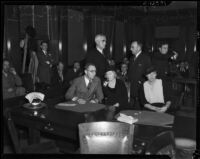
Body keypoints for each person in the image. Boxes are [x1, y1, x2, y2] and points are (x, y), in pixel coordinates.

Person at [128, 40, 152, 109]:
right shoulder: (132, 58)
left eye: (132, 47)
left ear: (138, 48)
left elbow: (149, 74)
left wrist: (141, 82)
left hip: (140, 90)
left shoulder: (145, 58)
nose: (130, 49)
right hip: (131, 90)